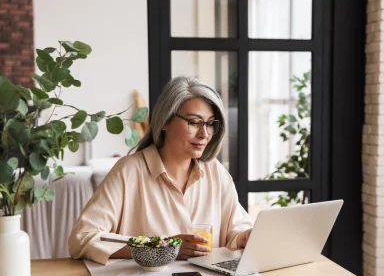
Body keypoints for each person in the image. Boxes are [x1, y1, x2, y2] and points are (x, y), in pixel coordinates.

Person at [68, 77, 253, 265]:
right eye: (194, 122)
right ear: (165, 121)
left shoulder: (216, 172)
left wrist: (244, 237)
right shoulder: (129, 170)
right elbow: (82, 238)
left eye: (210, 123)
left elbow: (236, 229)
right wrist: (162, 248)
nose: (204, 134)